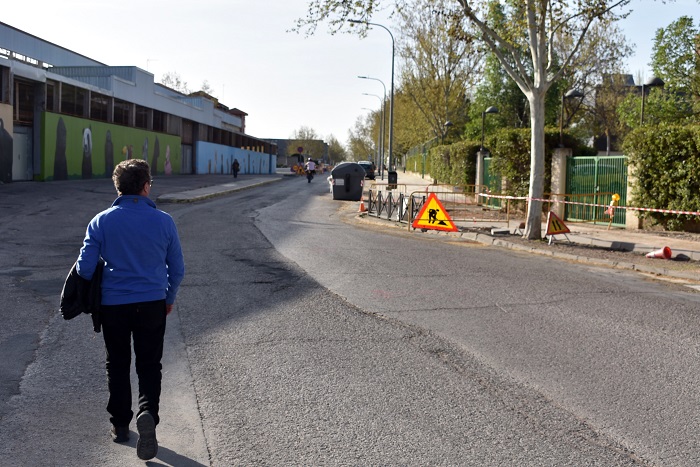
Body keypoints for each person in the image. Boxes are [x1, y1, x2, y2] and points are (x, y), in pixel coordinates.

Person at [76, 159, 185, 461]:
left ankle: (120, 425)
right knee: (149, 364)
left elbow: (85, 270)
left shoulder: (101, 221)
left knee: (118, 363)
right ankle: (147, 411)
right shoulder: (164, 221)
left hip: (113, 306)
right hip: (151, 303)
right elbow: (177, 269)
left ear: (118, 187)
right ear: (146, 186)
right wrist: (168, 297)